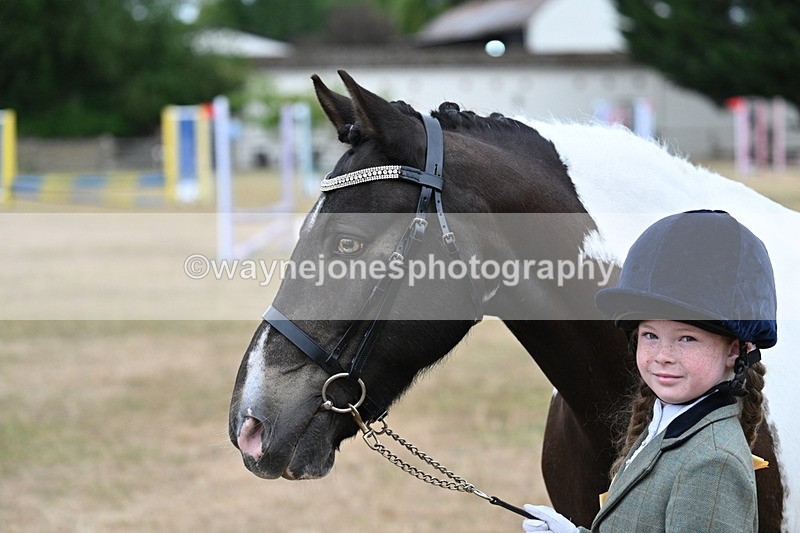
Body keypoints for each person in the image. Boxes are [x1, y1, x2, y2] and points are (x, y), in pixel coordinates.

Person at [522, 210, 777, 532]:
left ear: (736, 350)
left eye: (687, 338)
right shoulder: (666, 426)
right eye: (650, 335)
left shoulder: (713, 464)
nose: (663, 356)